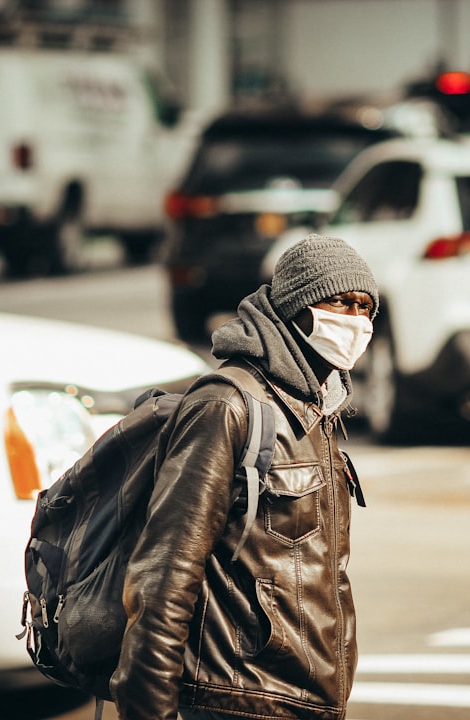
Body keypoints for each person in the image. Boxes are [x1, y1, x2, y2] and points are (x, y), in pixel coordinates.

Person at [111, 234, 379, 720]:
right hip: (234, 700)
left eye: (365, 308)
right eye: (339, 302)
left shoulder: (315, 407)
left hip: (302, 702)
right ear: (296, 307)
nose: (355, 321)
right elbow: (164, 573)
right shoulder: (227, 405)